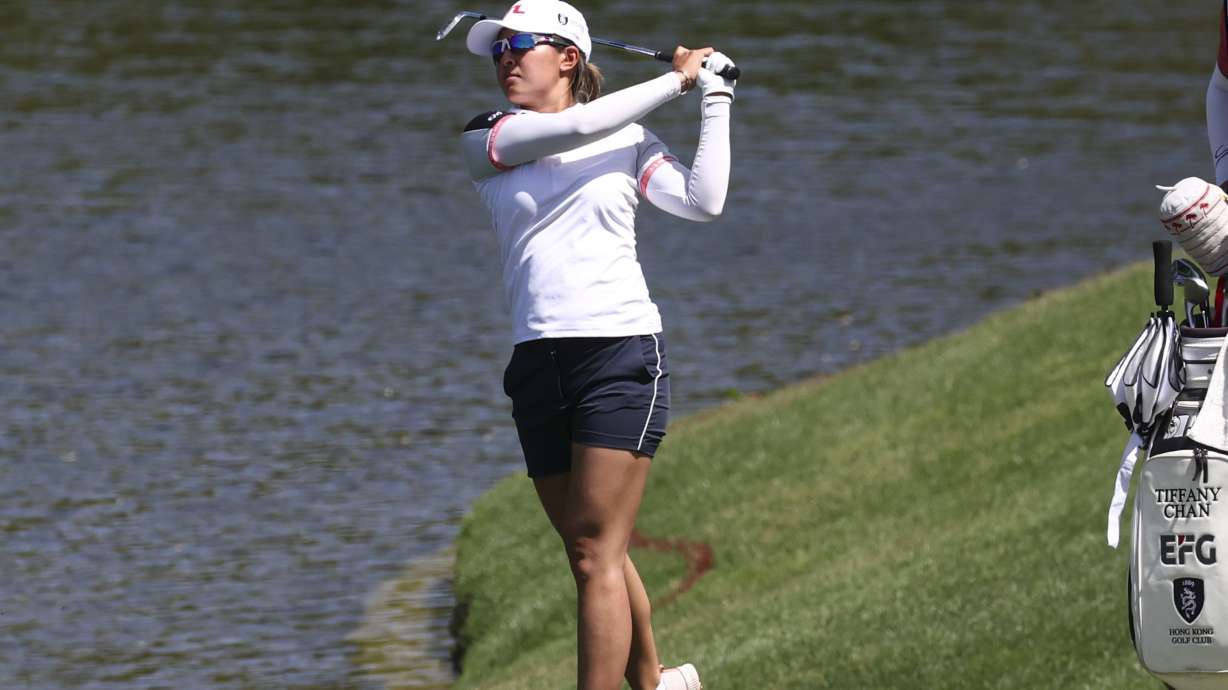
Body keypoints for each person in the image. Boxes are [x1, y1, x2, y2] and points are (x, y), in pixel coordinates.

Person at [458, 1, 735, 689]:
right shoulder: (490, 134)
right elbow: (581, 122)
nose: (506, 59)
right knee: (592, 550)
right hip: (537, 363)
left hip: (619, 354)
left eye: (520, 45)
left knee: (593, 552)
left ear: (569, 57)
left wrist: (715, 98)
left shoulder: (630, 141)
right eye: (499, 50)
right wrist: (677, 80)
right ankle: (659, 683)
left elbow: (702, 201)